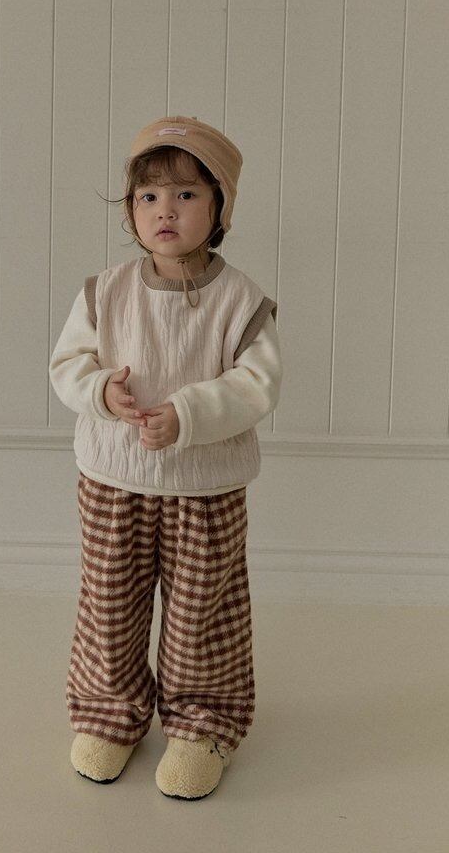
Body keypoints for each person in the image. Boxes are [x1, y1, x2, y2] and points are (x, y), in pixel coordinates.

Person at [48, 115, 283, 800]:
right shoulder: (104, 291)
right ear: (130, 210)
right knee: (109, 603)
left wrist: (188, 415)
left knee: (201, 610)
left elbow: (257, 385)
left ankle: (203, 722)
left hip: (205, 485)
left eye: (185, 194)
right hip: (112, 478)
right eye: (148, 197)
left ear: (220, 207)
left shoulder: (240, 300)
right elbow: (67, 365)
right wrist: (100, 392)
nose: (165, 211)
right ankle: (110, 713)